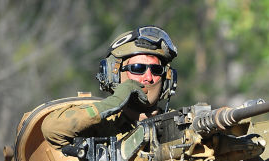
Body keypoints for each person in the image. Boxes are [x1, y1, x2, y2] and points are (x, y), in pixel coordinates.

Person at [42, 25, 178, 150]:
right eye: (138, 68)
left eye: (156, 69)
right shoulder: (101, 125)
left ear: (167, 79)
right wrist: (112, 103)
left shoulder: (178, 124)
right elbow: (52, 129)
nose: (148, 77)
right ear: (114, 76)